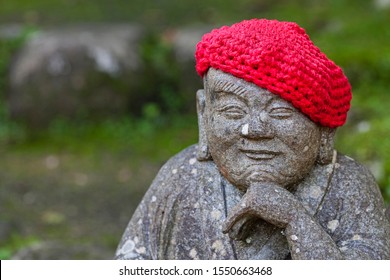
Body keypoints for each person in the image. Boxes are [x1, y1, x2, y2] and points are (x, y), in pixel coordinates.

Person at [115, 19, 390, 260]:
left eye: (281, 112)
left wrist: (295, 220)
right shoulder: (182, 176)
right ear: (203, 114)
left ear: (324, 131)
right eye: (233, 110)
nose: (255, 130)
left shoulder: (347, 185)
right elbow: (132, 259)